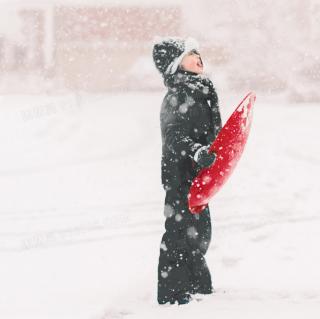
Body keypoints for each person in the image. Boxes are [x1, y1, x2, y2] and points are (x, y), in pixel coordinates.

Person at [152, 36, 223, 305]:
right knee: (179, 231)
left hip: (198, 173)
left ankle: (196, 283)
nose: (198, 56)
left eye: (198, 51)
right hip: (180, 172)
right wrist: (195, 151)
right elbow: (173, 136)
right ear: (175, 64)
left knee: (200, 230)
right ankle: (173, 293)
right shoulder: (178, 95)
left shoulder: (199, 90)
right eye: (190, 53)